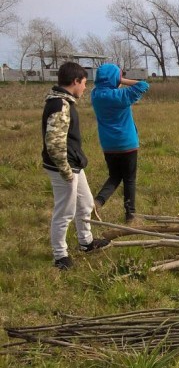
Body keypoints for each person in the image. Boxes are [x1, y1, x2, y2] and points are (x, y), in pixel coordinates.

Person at [42, 62, 110, 270]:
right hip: (64, 168)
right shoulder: (60, 105)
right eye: (84, 83)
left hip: (74, 165)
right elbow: (53, 144)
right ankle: (60, 256)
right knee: (65, 211)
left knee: (86, 203)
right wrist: (66, 173)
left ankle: (86, 242)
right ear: (75, 81)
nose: (85, 88)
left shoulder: (62, 101)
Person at [90, 63, 150, 223]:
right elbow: (144, 85)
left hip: (108, 145)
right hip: (127, 143)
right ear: (115, 78)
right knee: (129, 178)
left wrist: (114, 79)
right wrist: (122, 80)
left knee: (115, 176)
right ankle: (130, 215)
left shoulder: (95, 95)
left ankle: (98, 201)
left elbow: (102, 87)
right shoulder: (120, 96)